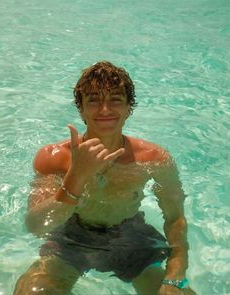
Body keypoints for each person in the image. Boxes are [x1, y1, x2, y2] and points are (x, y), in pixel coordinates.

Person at [13, 61, 196, 295]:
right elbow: (37, 227)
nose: (105, 110)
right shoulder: (54, 158)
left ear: (129, 107)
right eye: (94, 100)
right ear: (81, 109)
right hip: (70, 237)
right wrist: (76, 176)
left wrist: (174, 278)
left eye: (115, 100)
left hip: (129, 236)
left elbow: (175, 219)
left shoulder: (154, 159)